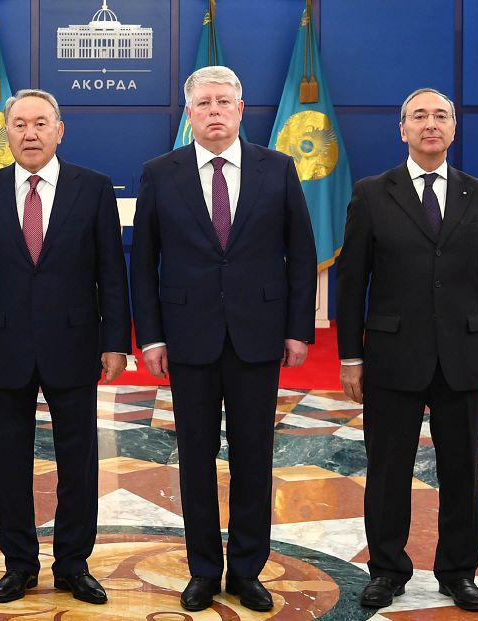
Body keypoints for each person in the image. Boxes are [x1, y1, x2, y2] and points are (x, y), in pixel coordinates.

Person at [130, 66, 316, 613]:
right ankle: (204, 570)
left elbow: (301, 253)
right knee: (196, 458)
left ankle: (247, 571)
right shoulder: (160, 172)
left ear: (241, 109)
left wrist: (297, 329)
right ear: (189, 114)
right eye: (204, 103)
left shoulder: (277, 168)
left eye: (223, 102)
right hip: (188, 338)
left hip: (259, 337)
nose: (214, 111)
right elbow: (143, 262)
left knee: (254, 458)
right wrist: (151, 337)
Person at [0, 89, 130, 605]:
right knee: (9, 463)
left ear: (59, 130)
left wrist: (116, 342)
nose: (30, 134)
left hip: (75, 344)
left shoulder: (93, 188)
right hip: (5, 346)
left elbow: (111, 272)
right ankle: (19, 564)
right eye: (20, 124)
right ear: (6, 132)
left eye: (41, 123)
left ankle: (73, 563)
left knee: (79, 463)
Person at [336, 87, 478, 612]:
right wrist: (350, 357)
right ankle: (387, 569)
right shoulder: (372, 193)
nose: (430, 124)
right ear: (402, 130)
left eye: (440, 116)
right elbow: (352, 283)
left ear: (454, 129)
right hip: (393, 356)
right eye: (419, 116)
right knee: (388, 472)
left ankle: (458, 572)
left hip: (464, 355)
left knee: (462, 472)